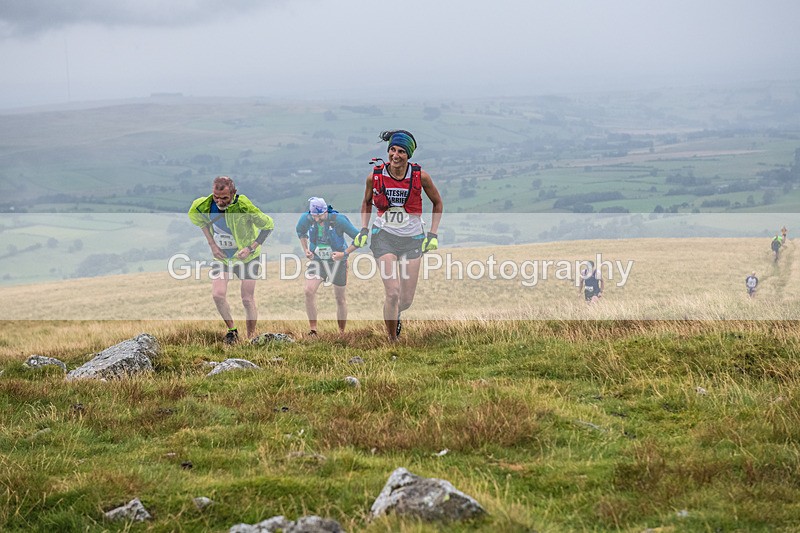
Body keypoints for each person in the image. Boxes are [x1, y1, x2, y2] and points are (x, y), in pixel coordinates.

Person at [354, 130, 443, 341]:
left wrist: (433, 234)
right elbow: (366, 203)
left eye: (401, 151)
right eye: (392, 150)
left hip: (412, 239)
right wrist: (364, 229)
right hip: (383, 237)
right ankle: (392, 340)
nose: (395, 155)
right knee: (392, 292)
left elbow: (438, 203)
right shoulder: (374, 177)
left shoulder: (420, 177)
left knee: (405, 299)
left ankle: (395, 313)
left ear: (408, 155)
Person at [188, 176, 274, 344]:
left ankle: (251, 338)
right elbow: (201, 223)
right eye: (216, 197)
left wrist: (251, 248)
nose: (219, 201)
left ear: (233, 193)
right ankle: (232, 331)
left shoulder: (244, 206)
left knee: (247, 299)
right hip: (222, 258)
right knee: (217, 295)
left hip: (248, 258)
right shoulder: (203, 205)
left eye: (224, 198)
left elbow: (268, 226)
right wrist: (212, 244)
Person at [296, 196, 360, 336]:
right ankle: (313, 330)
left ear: (325, 211)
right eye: (314, 216)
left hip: (338, 262)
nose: (317, 219)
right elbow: (300, 232)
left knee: (340, 298)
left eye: (319, 215)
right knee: (308, 290)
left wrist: (344, 253)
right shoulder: (307, 218)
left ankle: (341, 332)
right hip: (318, 260)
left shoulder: (339, 220)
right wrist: (306, 248)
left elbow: (359, 238)